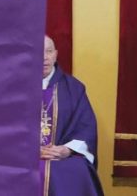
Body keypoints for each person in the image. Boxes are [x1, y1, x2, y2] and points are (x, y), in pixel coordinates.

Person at [41, 36, 104, 196]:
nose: (44, 57)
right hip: (25, 155)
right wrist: (30, 149)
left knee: (77, 169)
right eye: (39, 52)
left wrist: (67, 149)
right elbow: (6, 126)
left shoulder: (74, 88)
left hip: (62, 157)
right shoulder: (16, 88)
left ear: (55, 54)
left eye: (48, 51)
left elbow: (86, 128)